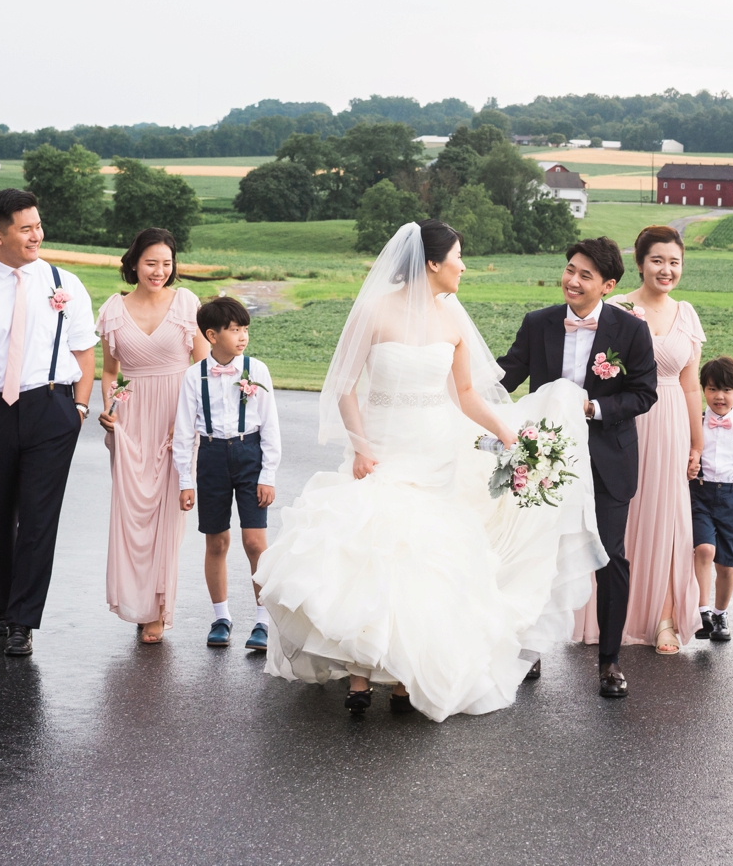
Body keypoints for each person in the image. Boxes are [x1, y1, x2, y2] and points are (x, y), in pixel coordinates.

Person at [254, 220, 604, 720]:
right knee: (373, 550)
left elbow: (463, 394)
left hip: (437, 452)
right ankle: (358, 675)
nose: (464, 266)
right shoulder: (374, 311)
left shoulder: (452, 320)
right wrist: (360, 445)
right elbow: (346, 385)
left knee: (424, 561)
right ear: (433, 263)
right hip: (384, 448)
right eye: (458, 256)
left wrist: (508, 433)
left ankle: (402, 676)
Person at [497, 235, 659, 699]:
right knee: (537, 553)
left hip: (607, 460)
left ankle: (609, 662)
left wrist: (593, 410)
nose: (572, 280)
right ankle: (531, 649)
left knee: (609, 557)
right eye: (570, 269)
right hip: (546, 459)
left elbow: (644, 393)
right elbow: (508, 374)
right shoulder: (538, 323)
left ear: (607, 285)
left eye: (585, 275)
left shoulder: (630, 331)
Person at [0, 188, 98, 658]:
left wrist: (78, 410)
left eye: (38, 225)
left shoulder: (65, 283)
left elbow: (83, 351)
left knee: (39, 518)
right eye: (26, 228)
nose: (37, 234)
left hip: (52, 410)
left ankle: (22, 620)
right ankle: (5, 604)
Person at [586, 225, 704, 656]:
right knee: (622, 518)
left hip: (671, 421)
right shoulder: (616, 308)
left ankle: (665, 617)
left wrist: (697, 442)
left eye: (674, 262)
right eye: (657, 260)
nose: (666, 269)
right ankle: (611, 613)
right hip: (624, 423)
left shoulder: (686, 313)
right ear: (639, 263)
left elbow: (691, 385)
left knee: (670, 519)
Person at [98, 227, 206, 644]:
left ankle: (159, 609)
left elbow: (201, 369)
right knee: (132, 517)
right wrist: (109, 411)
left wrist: (193, 424)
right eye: (150, 263)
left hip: (176, 418)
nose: (159, 271)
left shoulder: (186, 304)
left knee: (167, 518)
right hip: (129, 422)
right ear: (133, 263)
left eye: (166, 263)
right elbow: (110, 372)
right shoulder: (112, 309)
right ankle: (138, 604)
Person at [173, 296, 280, 652]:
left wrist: (268, 474)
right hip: (212, 457)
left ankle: (263, 621)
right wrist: (186, 482)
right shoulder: (194, 376)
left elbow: (271, 426)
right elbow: (184, 431)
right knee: (216, 541)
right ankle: (221, 617)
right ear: (211, 335)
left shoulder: (257, 370)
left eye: (245, 329)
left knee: (255, 542)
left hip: (250, 455)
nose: (242, 336)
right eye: (234, 330)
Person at [690, 357, 733, 642]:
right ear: (703, 390)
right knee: (704, 549)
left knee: (726, 565)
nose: (720, 396)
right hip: (700, 493)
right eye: (712, 389)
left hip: (732, 497)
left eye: (727, 390)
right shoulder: (696, 422)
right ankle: (702, 612)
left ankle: (720, 613)